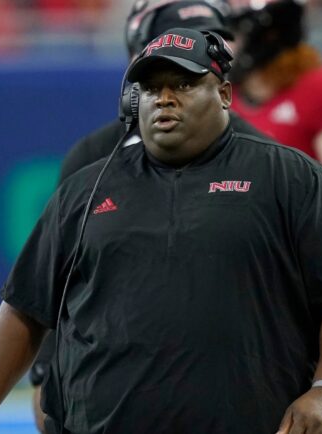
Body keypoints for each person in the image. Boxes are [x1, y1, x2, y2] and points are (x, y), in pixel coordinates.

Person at [0, 27, 322, 434]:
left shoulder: (289, 176)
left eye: (182, 85)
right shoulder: (86, 191)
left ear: (223, 94)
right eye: (150, 88)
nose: (163, 99)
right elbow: (21, 311)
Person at [27, 2, 268, 431]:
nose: (197, 49)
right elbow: (54, 286)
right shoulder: (92, 160)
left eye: (212, 39)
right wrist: (44, 373)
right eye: (178, 39)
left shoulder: (269, 162)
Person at [226, 0, 322, 229]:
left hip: (295, 251)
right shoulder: (218, 94)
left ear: (267, 35)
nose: (221, 42)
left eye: (231, 31)